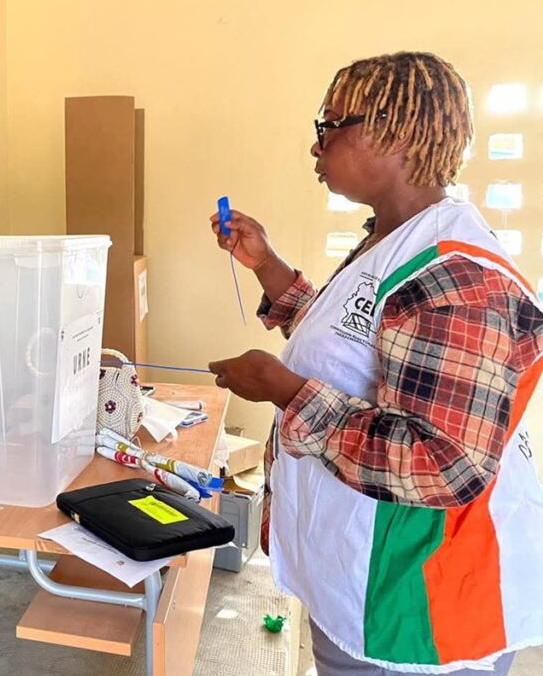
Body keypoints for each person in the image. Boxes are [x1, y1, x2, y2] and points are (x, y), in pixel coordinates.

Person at [208, 52, 543, 675]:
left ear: (393, 132)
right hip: (369, 577)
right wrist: (268, 265)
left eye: (331, 125)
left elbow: (444, 462)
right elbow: (356, 341)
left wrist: (283, 390)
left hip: (424, 603)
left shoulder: (459, 277)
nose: (317, 146)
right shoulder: (392, 241)